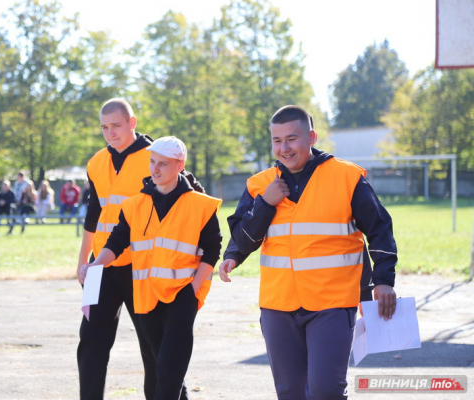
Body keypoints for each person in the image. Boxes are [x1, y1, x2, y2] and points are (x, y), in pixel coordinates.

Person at [219, 105, 398, 400]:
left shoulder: (347, 176)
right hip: (278, 304)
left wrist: (383, 279)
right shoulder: (259, 185)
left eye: (292, 138)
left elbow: (380, 228)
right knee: (289, 392)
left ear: (312, 137)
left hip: (332, 302)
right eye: (277, 140)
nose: (284, 148)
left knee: (325, 390)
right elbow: (242, 238)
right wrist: (265, 204)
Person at [81, 136, 222, 400]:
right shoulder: (135, 205)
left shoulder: (200, 204)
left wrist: (193, 289)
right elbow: (118, 240)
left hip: (181, 296)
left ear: (180, 165)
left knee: (168, 373)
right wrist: (96, 262)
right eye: (152, 162)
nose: (155, 169)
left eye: (163, 164)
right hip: (145, 298)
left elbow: (213, 248)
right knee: (163, 369)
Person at [76, 98, 159, 400]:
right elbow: (93, 212)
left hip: (142, 264)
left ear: (132, 123)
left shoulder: (156, 158)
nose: (110, 133)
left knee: (153, 344)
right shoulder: (96, 162)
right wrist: (84, 258)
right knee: (90, 341)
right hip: (101, 265)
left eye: (117, 126)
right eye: (104, 127)